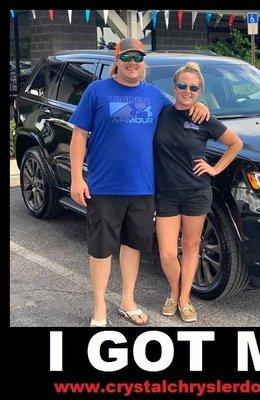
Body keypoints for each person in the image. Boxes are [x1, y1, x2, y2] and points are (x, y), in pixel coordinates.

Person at [69, 38, 210, 327]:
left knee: (133, 247)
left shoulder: (155, 96)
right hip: (104, 187)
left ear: (143, 62)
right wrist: (76, 178)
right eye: (127, 57)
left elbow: (182, 108)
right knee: (101, 249)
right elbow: (79, 135)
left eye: (138, 58)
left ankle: (127, 301)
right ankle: (99, 309)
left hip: (144, 189)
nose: (133, 63)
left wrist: (201, 106)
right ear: (117, 60)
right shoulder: (97, 91)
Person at [154, 62, 243, 322]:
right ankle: (174, 289)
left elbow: (235, 143)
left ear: (200, 91)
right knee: (168, 253)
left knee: (191, 247)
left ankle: (183, 299)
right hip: (166, 193)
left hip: (196, 192)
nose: (187, 91)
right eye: (182, 85)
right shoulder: (162, 113)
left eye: (193, 88)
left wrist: (214, 169)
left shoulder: (203, 118)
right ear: (174, 86)